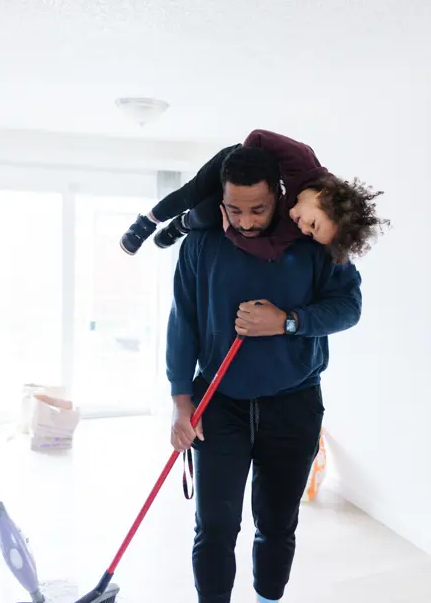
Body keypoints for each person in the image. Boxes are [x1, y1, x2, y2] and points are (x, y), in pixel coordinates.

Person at [166, 144, 364, 603]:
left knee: (277, 523)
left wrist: (287, 321)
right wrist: (181, 405)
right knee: (214, 526)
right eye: (234, 210)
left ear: (278, 195)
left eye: (257, 209)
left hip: (293, 402)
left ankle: (266, 598)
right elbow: (183, 324)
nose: (247, 221)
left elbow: (348, 307)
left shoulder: (312, 241)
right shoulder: (202, 243)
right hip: (217, 404)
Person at [120, 128, 388, 264]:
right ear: (324, 197)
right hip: (236, 164)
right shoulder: (302, 159)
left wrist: (232, 233)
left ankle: (179, 227)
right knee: (192, 193)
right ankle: (146, 223)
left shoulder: (292, 226)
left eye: (310, 234)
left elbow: (269, 250)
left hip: (245, 202)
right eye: (313, 224)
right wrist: (243, 172)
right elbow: (258, 136)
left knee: (209, 212)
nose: (302, 228)